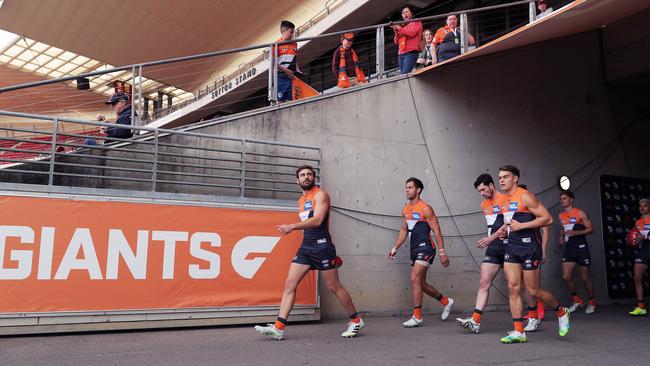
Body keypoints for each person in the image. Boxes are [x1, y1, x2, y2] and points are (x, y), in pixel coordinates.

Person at [255, 165, 364, 340]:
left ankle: (356, 320)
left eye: (309, 175)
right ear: (297, 180)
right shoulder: (301, 200)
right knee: (289, 284)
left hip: (322, 246)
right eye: (302, 175)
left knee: (334, 286)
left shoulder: (320, 195)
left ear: (314, 178)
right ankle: (279, 327)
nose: (306, 177)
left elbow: (318, 220)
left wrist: (292, 226)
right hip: (306, 247)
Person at [496, 165, 569, 343]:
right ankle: (519, 331)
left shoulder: (525, 196)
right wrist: (503, 231)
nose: (502, 180)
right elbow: (509, 222)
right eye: (500, 177)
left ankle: (561, 310)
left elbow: (547, 219)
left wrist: (521, 226)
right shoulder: (503, 200)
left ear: (515, 178)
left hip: (529, 248)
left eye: (506, 176)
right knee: (513, 288)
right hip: (512, 247)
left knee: (533, 291)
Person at [388, 177, 454, 327]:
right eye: (406, 187)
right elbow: (404, 230)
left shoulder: (426, 208)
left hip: (426, 247)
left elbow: (437, 231)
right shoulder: (405, 209)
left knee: (414, 279)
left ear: (418, 190)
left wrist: (443, 253)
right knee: (421, 284)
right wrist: (395, 247)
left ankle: (417, 316)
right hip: (414, 247)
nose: (407, 190)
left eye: (410, 187)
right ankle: (446, 301)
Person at [456, 174, 506, 333]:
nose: (482, 193)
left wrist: (490, 238)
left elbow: (508, 224)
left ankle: (534, 314)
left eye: (483, 189)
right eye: (479, 191)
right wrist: (492, 239)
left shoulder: (506, 200)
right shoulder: (484, 204)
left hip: (511, 246)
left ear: (492, 185)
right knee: (484, 282)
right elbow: (493, 226)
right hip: (494, 246)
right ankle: (475, 321)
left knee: (523, 286)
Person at [558, 190, 597, 314]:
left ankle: (592, 302)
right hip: (570, 248)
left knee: (585, 278)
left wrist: (576, 233)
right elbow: (562, 230)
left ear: (571, 199)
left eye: (564, 198)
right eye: (561, 199)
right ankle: (577, 300)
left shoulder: (580, 213)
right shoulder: (561, 215)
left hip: (581, 247)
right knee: (566, 276)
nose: (562, 200)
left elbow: (591, 229)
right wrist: (561, 238)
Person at [629, 198, 650, 316]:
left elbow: (644, 237)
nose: (642, 208)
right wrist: (634, 240)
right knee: (637, 277)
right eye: (640, 206)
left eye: (645, 205)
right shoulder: (637, 223)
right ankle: (641, 306)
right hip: (644, 251)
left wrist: (645, 238)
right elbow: (636, 238)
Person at [391, 6, 423, 74]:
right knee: (404, 75)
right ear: (402, 16)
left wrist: (399, 28)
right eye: (403, 13)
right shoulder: (402, 26)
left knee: (404, 75)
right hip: (401, 54)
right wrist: (396, 31)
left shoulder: (416, 21)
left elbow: (412, 33)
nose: (405, 14)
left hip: (411, 52)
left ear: (411, 13)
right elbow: (396, 42)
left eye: (407, 12)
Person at [275, 20, 301, 103]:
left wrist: (298, 70)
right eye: (291, 32)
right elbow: (273, 63)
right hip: (280, 77)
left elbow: (295, 58)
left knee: (292, 101)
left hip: (291, 77)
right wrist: (286, 71)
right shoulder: (276, 44)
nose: (292, 35)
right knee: (280, 102)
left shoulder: (294, 44)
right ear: (284, 31)